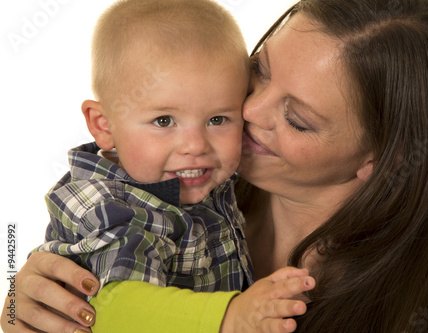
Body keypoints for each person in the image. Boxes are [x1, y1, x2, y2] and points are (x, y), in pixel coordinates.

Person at [3, 0, 428, 332]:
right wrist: (25, 309)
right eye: (259, 71)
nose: (250, 111)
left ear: (382, 159)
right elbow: (105, 299)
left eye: (298, 119)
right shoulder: (194, 184)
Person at [4, 0, 314, 332]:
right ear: (103, 126)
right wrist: (230, 316)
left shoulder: (204, 181)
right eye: (164, 120)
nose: (196, 146)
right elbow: (112, 308)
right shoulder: (113, 207)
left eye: (218, 119)